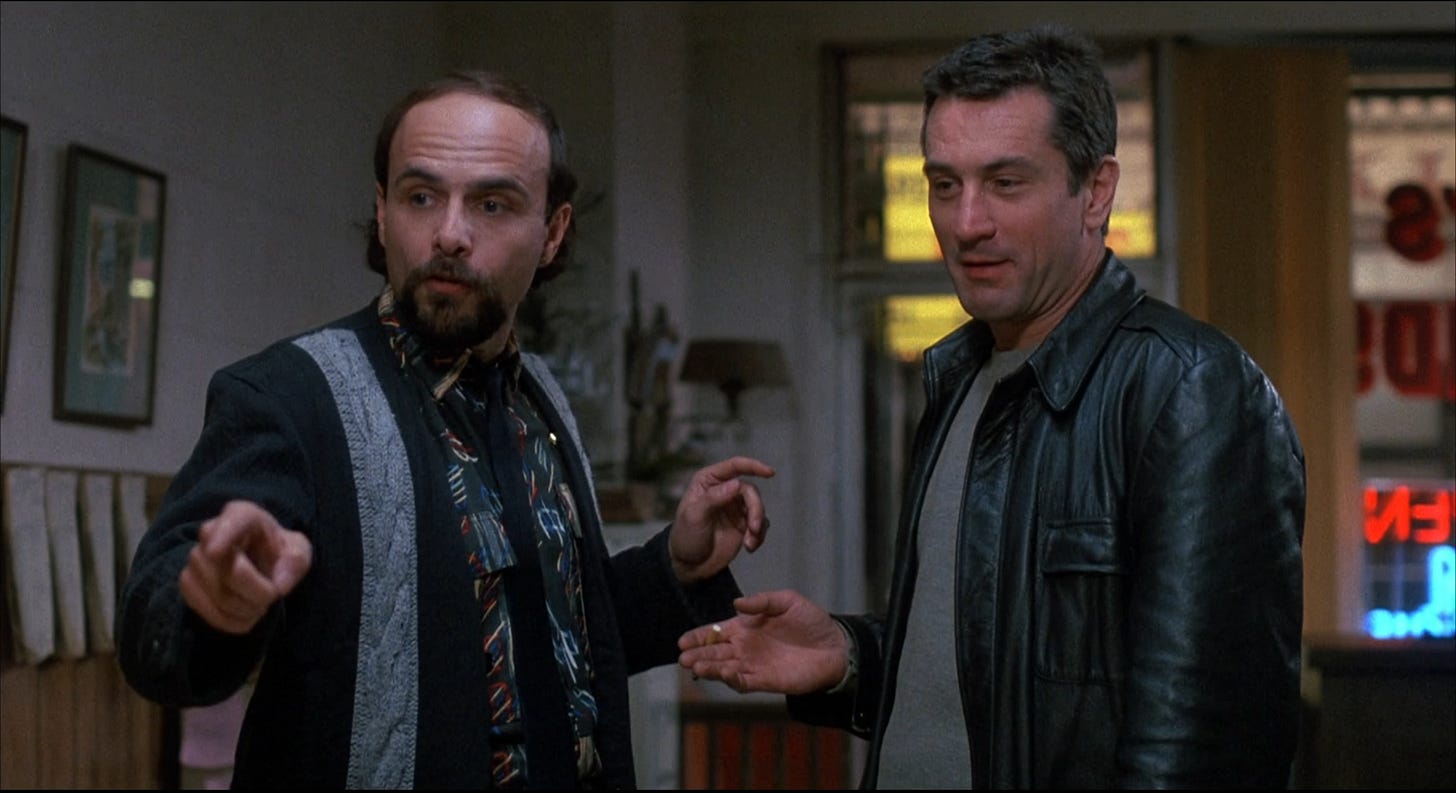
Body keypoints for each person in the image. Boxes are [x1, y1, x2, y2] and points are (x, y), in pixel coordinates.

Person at [679, 24, 1305, 789]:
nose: (967, 223)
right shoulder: (961, 382)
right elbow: (1005, 679)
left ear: (1096, 191)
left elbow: (1209, 745)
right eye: (945, 185)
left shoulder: (1188, 389)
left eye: (1006, 183)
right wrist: (852, 657)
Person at [115, 70, 776, 789]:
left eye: (492, 204)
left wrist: (674, 565)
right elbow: (157, 633)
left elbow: (556, 641)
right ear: (382, 211)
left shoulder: (539, 397)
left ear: (553, 232)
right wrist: (208, 606)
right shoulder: (290, 396)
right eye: (421, 197)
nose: (450, 234)